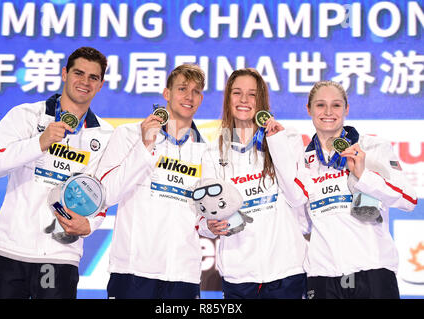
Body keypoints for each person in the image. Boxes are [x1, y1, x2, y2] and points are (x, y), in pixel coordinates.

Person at [0, 47, 113, 298]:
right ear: (64, 73)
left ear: (101, 84)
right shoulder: (25, 115)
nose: (85, 82)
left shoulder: (105, 136)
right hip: (11, 250)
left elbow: (104, 193)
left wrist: (89, 225)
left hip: (61, 256)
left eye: (93, 77)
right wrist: (39, 143)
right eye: (78, 73)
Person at [293, 80, 417, 299]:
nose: (328, 112)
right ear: (309, 109)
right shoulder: (302, 161)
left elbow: (408, 200)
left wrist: (363, 175)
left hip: (373, 271)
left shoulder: (372, 148)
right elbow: (300, 223)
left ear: (347, 109)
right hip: (322, 276)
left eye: (336, 105)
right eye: (320, 105)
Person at [96, 64, 207, 299]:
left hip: (183, 275)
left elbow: (202, 219)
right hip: (132, 271)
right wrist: (145, 146)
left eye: (196, 91)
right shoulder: (128, 135)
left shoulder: (206, 151)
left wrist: (215, 225)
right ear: (166, 94)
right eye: (182, 89)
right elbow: (107, 193)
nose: (189, 96)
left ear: (201, 99)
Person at [197, 68, 307, 299]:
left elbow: (297, 196)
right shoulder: (213, 151)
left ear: (262, 101)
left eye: (252, 94)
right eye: (237, 93)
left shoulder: (288, 138)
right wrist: (211, 226)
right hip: (239, 275)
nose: (244, 100)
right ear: (228, 99)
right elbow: (205, 215)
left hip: (285, 271)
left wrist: (275, 141)